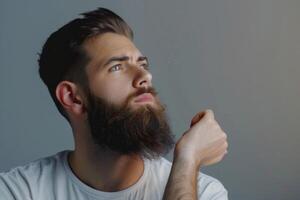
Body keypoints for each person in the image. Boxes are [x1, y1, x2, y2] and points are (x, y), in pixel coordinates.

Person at [0, 7, 229, 200]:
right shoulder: (18, 191)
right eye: (117, 67)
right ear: (72, 97)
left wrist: (187, 160)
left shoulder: (204, 191)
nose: (144, 76)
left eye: (143, 64)